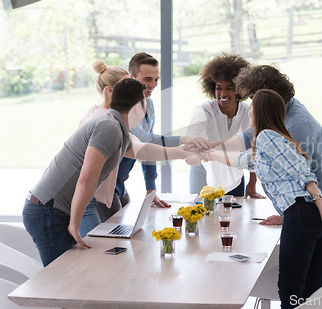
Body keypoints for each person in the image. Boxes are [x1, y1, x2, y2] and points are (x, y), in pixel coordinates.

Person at [23, 78, 203, 267]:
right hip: (48, 212)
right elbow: (86, 178)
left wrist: (184, 153)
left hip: (52, 211)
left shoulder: (117, 128)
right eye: (145, 104)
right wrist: (75, 224)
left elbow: (144, 151)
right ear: (137, 108)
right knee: (61, 281)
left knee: (72, 277)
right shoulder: (108, 128)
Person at [206, 89, 322, 308]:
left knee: (290, 290)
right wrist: (207, 153)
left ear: (258, 112)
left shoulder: (267, 137)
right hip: (316, 217)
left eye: (251, 108)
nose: (248, 112)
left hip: (305, 213)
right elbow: (241, 160)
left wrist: (319, 200)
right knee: (310, 294)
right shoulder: (275, 141)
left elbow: (300, 170)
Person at [189, 65, 322, 224]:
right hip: (303, 201)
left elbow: (299, 173)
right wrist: (210, 147)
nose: (250, 104)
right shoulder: (275, 113)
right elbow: (247, 139)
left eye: (253, 97)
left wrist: (292, 215)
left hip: (321, 197)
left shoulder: (298, 124)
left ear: (268, 95)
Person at [114, 53, 210, 213]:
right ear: (131, 78)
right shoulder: (125, 108)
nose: (153, 84)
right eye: (147, 79)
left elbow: (149, 149)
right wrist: (185, 140)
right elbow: (143, 140)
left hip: (119, 183)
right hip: (105, 184)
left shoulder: (148, 105)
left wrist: (151, 189)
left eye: (156, 79)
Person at [187, 53, 264, 197]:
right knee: (199, 215)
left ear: (238, 89)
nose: (223, 93)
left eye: (229, 88)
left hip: (234, 176)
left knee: (234, 217)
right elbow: (192, 135)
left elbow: (254, 148)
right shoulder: (204, 110)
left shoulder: (248, 112)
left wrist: (252, 183)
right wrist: (192, 152)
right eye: (218, 88)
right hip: (204, 172)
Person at [77, 60, 129, 236]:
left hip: (103, 193)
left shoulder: (97, 112)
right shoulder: (105, 121)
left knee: (117, 239)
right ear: (110, 91)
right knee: (103, 247)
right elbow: (136, 146)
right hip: (93, 195)